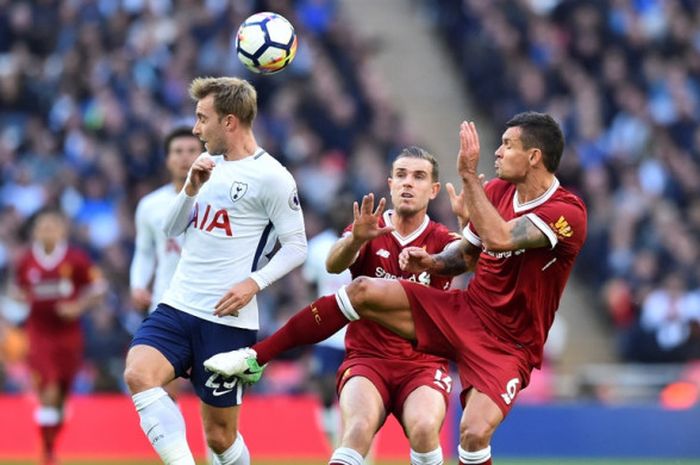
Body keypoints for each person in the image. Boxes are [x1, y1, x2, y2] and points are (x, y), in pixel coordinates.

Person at [204, 112, 588, 465]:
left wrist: (469, 176)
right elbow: (468, 255)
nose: (498, 152)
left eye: (507, 144)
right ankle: (255, 357)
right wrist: (433, 263)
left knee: (472, 435)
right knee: (363, 292)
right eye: (401, 175)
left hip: (509, 343)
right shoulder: (501, 193)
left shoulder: (566, 213)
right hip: (466, 312)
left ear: (534, 156)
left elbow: (501, 238)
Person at [123, 76, 307, 465]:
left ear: (229, 122)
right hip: (178, 303)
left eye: (202, 118)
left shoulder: (273, 177)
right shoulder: (206, 167)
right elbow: (171, 229)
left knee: (220, 437)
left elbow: (297, 247)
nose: (195, 128)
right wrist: (190, 187)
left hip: (228, 319)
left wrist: (253, 284)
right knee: (138, 373)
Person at [323, 146, 462, 465]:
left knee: (426, 428)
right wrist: (354, 240)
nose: (408, 183)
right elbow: (333, 264)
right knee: (357, 429)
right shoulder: (369, 229)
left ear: (434, 189)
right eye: (401, 176)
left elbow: (464, 257)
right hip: (367, 358)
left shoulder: (442, 238)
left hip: (423, 363)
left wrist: (433, 261)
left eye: (418, 177)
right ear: (390, 183)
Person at [13, 207, 106, 465]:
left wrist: (78, 306)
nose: (46, 232)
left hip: (69, 334)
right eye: (42, 227)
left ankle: (50, 442)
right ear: (34, 232)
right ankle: (47, 452)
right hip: (39, 333)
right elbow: (17, 288)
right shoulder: (26, 260)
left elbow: (98, 287)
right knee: (49, 385)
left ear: (62, 230)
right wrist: (22, 297)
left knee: (62, 393)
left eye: (51, 227)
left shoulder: (76, 259)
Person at [130, 127, 202, 400]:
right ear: (167, 159)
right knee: (162, 384)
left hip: (210, 304)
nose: (185, 158)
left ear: (204, 155)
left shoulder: (218, 199)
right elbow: (145, 251)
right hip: (166, 302)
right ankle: (174, 443)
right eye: (178, 151)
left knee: (212, 393)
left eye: (191, 151)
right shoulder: (151, 205)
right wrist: (138, 284)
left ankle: (216, 443)